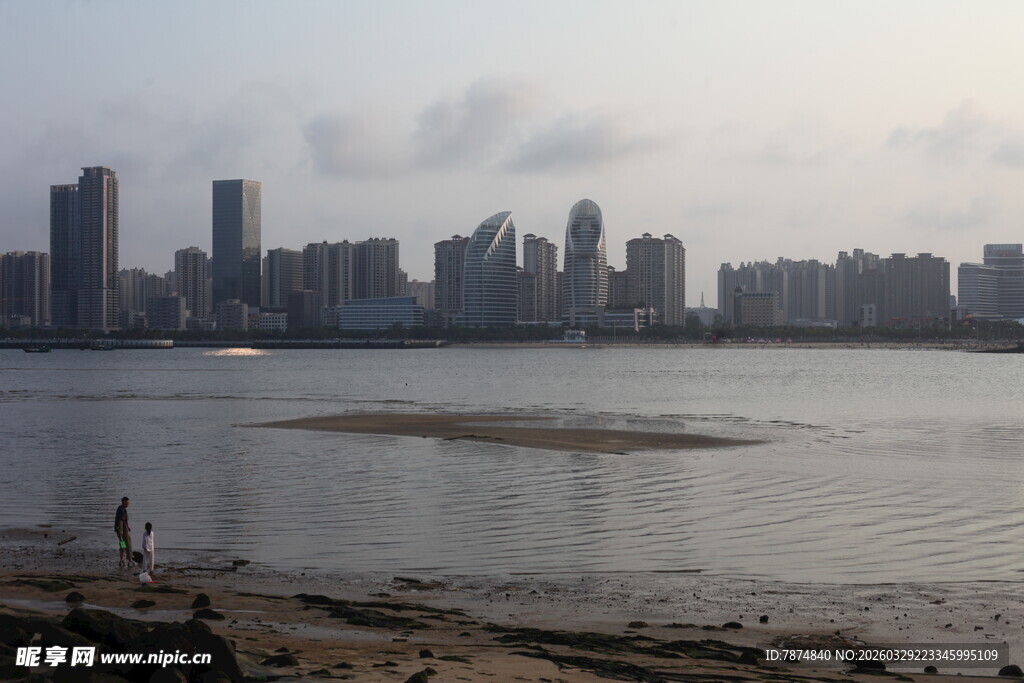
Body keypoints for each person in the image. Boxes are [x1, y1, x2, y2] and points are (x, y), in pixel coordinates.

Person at [114, 497, 133, 567]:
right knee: (127, 544)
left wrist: (127, 527)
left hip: (122, 529)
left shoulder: (122, 509)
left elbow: (124, 520)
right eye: (127, 502)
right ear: (123, 502)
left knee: (123, 545)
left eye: (128, 502)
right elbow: (120, 521)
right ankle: (129, 560)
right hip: (121, 530)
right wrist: (121, 531)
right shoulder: (122, 510)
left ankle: (121, 560)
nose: (128, 504)